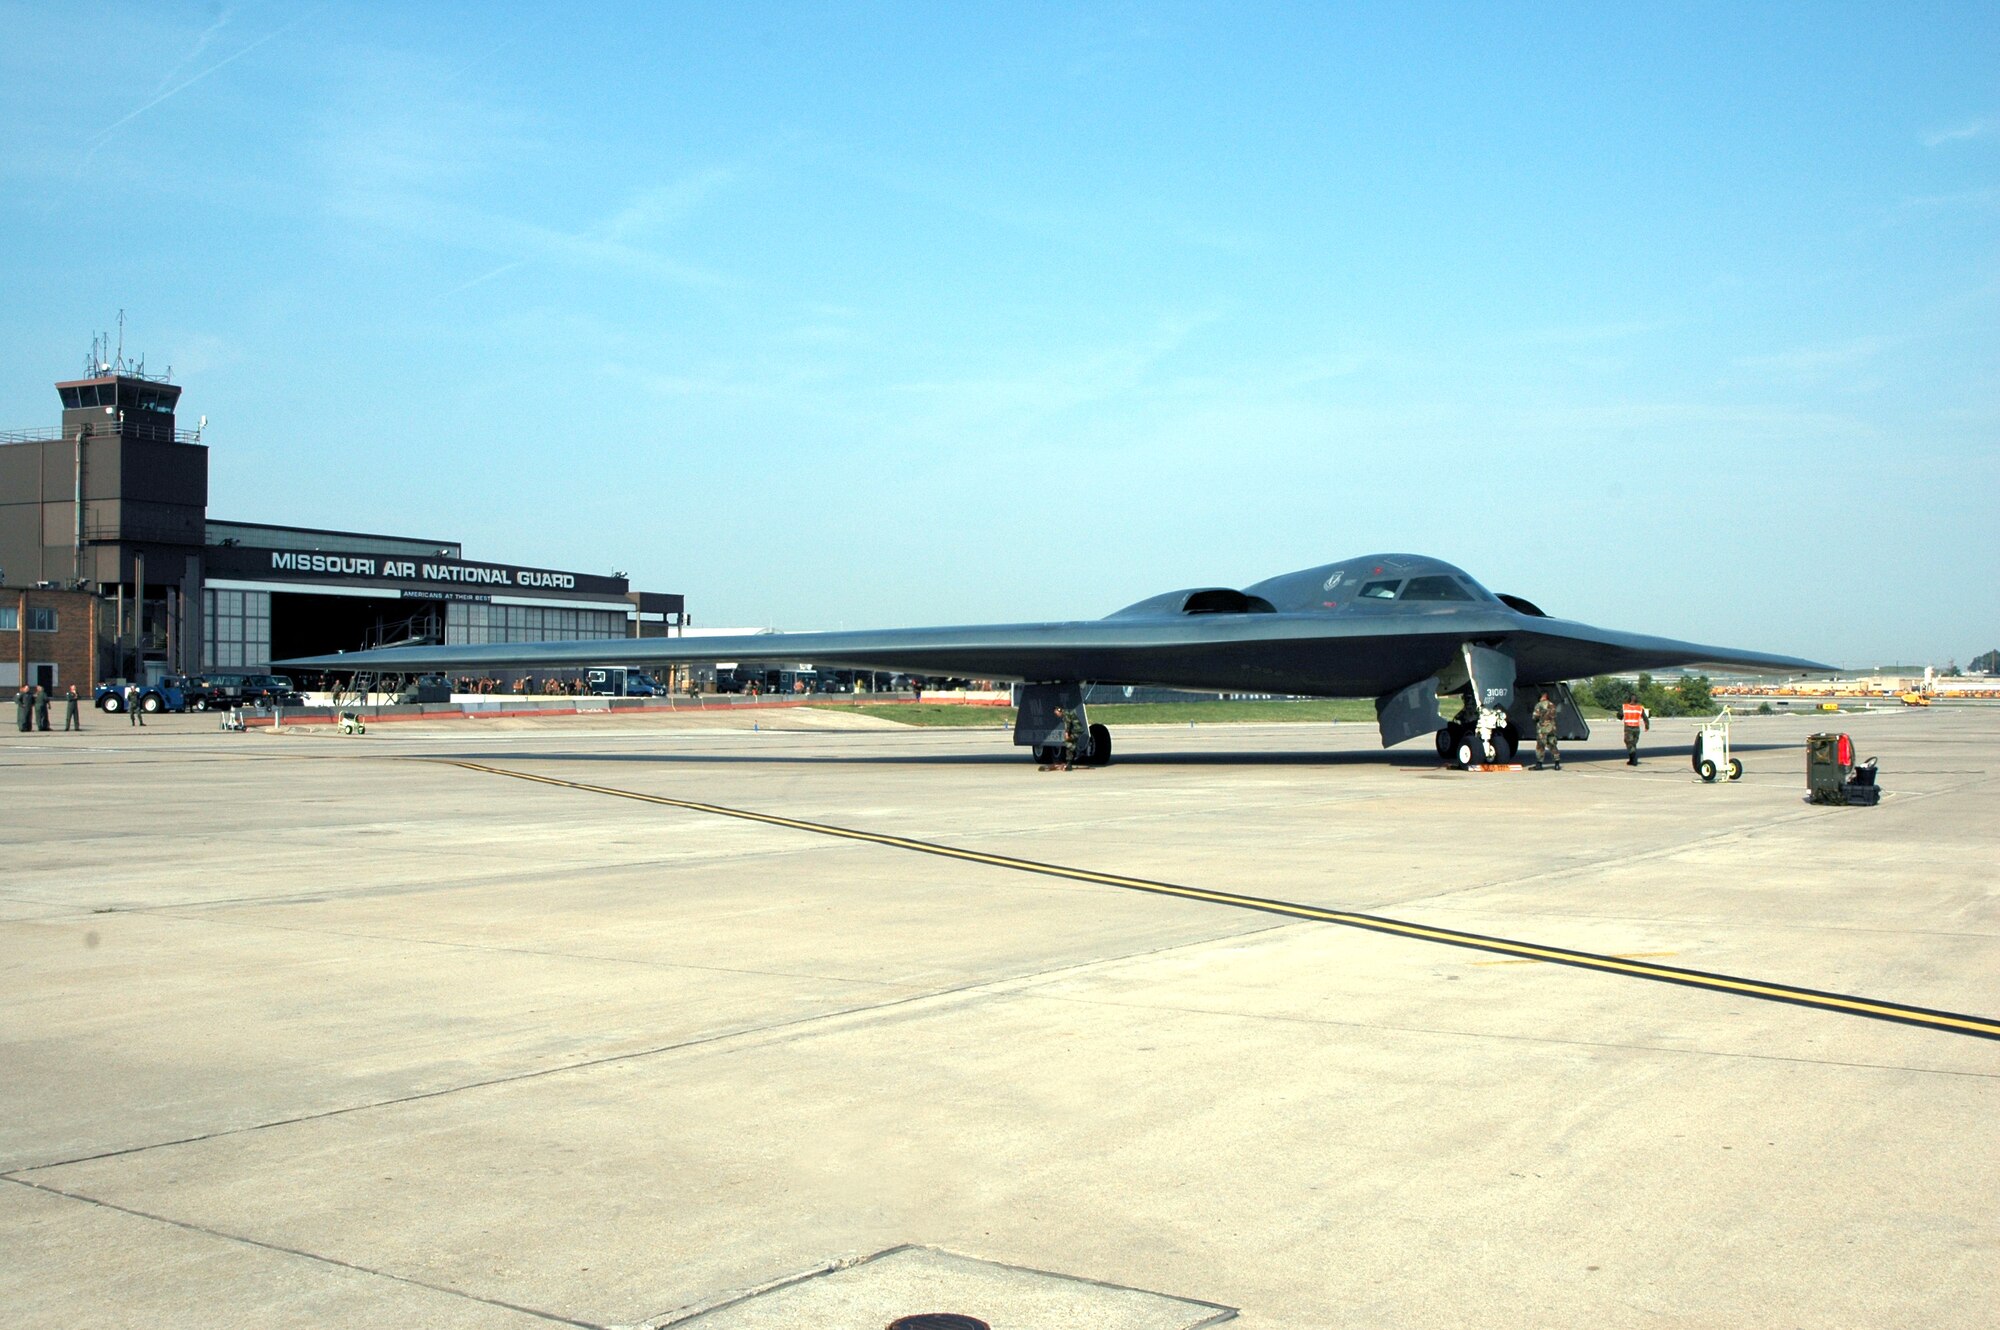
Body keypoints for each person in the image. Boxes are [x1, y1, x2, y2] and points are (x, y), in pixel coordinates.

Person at [1532, 691, 1560, 770]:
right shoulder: (1552, 705)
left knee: (1540, 746)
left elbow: (1535, 717)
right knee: (1552, 744)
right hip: (1552, 728)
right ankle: (1557, 763)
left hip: (1542, 729)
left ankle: (1539, 764)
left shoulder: (1539, 705)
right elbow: (1554, 715)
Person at [1621, 698, 1650, 765]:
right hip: (1636, 729)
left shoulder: (1625, 707)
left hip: (1629, 728)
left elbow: (1620, 715)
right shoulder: (1639, 708)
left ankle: (1633, 759)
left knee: (1629, 743)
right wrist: (1647, 726)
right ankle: (1632, 760)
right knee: (1633, 743)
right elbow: (1645, 718)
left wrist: (1620, 716)